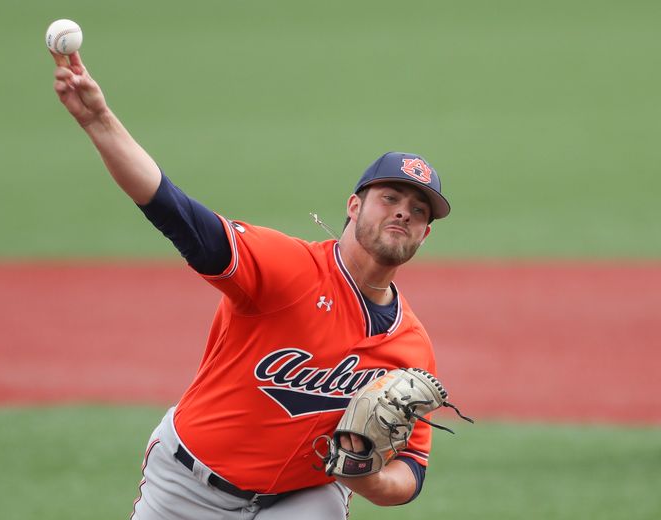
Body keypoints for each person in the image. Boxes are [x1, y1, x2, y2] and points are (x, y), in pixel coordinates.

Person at [51, 50, 453, 519]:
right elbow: (177, 212)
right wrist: (99, 121)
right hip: (189, 485)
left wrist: (368, 478)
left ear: (425, 234)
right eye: (390, 198)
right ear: (353, 206)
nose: (404, 211)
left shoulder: (411, 347)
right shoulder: (288, 268)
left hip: (304, 498)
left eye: (419, 210)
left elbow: (412, 471)